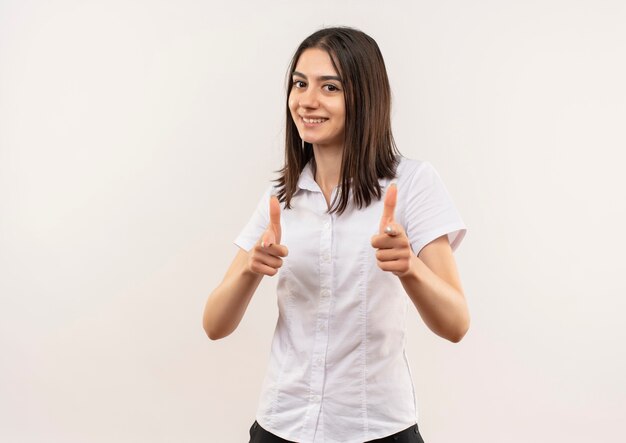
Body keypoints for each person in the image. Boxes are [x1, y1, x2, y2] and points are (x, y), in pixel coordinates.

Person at [203, 26, 469, 443]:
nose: (307, 100)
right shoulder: (281, 198)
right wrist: (251, 269)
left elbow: (456, 324)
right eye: (299, 84)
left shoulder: (412, 184)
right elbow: (214, 324)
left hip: (376, 427)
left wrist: (410, 268)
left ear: (364, 97)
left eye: (330, 87)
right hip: (281, 425)